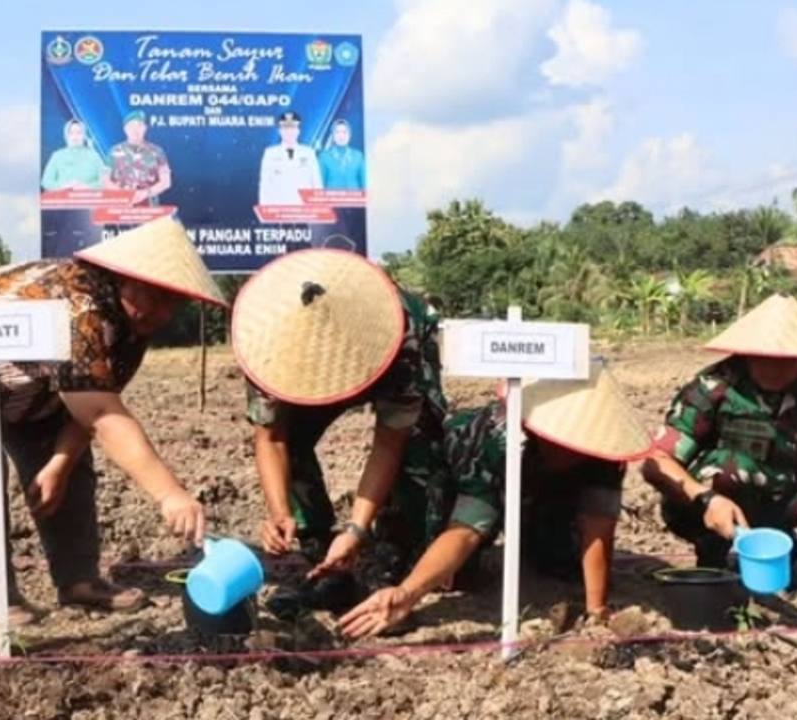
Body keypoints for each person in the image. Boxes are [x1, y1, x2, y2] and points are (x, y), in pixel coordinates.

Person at [0, 216, 225, 626]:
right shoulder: (79, 305)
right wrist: (169, 493)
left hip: (32, 379)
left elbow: (93, 406)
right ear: (125, 278)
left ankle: (78, 580)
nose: (161, 314)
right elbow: (105, 417)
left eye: (173, 303)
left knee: (71, 465)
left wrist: (58, 464)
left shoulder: (129, 325)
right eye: (154, 297)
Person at [338, 364, 653, 637]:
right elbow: (466, 530)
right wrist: (408, 593)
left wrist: (596, 610)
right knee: (455, 577)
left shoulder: (603, 452)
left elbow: (597, 528)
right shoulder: (497, 440)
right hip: (457, 473)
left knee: (562, 564)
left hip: (544, 489)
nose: (570, 450)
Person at [230, 248, 448, 606]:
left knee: (421, 444)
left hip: (386, 353)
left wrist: (357, 528)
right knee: (294, 442)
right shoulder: (264, 341)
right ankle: (321, 557)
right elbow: (272, 437)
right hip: (291, 357)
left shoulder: (403, 335)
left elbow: (389, 443)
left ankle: (389, 560)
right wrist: (279, 511)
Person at [643, 294, 797, 569]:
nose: (775, 368)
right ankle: (713, 557)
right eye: (765, 358)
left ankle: (781, 554)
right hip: (719, 502)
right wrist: (706, 498)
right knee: (733, 470)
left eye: (788, 360)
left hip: (788, 496)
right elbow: (656, 461)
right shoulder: (715, 386)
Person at [105, 111, 171, 206]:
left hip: (149, 207)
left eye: (139, 126)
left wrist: (145, 193)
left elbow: (166, 182)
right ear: (125, 129)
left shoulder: (157, 151)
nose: (135, 130)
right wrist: (124, 194)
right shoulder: (114, 151)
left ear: (145, 128)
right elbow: (105, 180)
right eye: (131, 126)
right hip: (122, 208)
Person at [258, 111, 323, 206]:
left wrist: (319, 209)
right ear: (280, 131)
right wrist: (266, 211)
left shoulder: (308, 153)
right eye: (285, 128)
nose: (289, 132)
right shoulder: (270, 153)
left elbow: (316, 184)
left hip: (304, 211)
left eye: (293, 128)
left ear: (298, 131)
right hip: (279, 211)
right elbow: (265, 185)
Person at [41, 119, 109, 191]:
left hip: (88, 198)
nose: (75, 136)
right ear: (66, 135)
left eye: (79, 133)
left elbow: (104, 182)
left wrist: (87, 187)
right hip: (63, 198)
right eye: (71, 133)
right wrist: (63, 186)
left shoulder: (94, 156)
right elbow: (46, 182)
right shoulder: (57, 156)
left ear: (84, 136)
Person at [317, 119, 365, 191]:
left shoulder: (358, 156)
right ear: (333, 136)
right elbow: (320, 186)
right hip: (332, 201)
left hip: (354, 201)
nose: (341, 135)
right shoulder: (324, 157)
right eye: (337, 132)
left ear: (350, 135)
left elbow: (364, 184)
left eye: (344, 132)